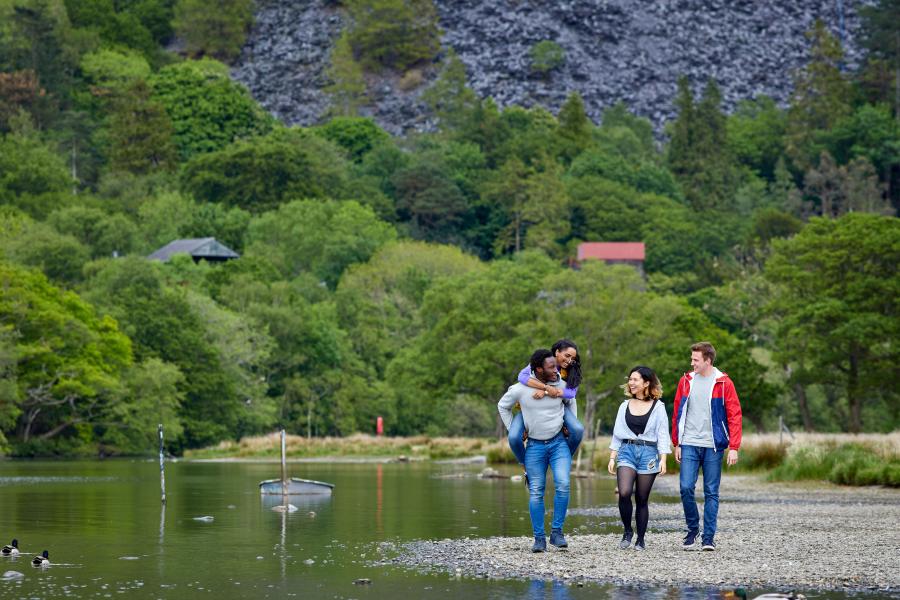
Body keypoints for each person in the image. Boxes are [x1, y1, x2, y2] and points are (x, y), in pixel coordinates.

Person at [498, 349, 573, 553]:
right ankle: (539, 538)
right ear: (538, 369)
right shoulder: (519, 389)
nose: (556, 370)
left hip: (559, 444)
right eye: (551, 367)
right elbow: (502, 406)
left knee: (564, 484)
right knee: (536, 492)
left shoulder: (562, 384)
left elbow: (571, 401)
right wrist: (514, 427)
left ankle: (557, 533)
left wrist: (569, 425)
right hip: (534, 446)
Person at [672, 341, 743, 551]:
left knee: (711, 492)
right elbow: (677, 412)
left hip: (713, 446)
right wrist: (677, 442)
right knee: (686, 487)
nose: (691, 363)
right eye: (692, 358)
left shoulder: (724, 383)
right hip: (690, 444)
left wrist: (734, 447)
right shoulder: (686, 381)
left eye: (695, 359)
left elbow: (734, 415)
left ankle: (708, 538)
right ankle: (693, 530)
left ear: (707, 360)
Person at [607, 366, 671, 550]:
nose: (631, 383)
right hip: (626, 451)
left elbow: (662, 434)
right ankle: (628, 531)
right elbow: (617, 433)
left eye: (635, 380)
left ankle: (640, 539)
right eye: (630, 379)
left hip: (649, 454)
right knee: (625, 493)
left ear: (646, 383)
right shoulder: (624, 406)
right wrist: (612, 457)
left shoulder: (658, 407)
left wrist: (663, 459)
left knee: (642, 498)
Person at [507, 340, 584, 475]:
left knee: (577, 429)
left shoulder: (571, 370)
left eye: (573, 358)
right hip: (530, 408)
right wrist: (545, 387)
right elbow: (522, 377)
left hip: (559, 406)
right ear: (557, 352)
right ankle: (525, 464)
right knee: (513, 437)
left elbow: (571, 394)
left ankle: (562, 459)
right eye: (567, 356)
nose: (570, 360)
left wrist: (547, 392)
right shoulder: (543, 361)